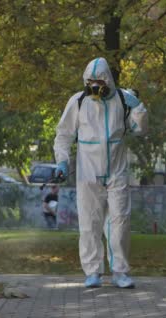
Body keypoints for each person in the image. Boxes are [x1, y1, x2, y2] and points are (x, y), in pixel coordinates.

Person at [53, 57, 147, 288]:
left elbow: (140, 130)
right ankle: (92, 271)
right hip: (88, 172)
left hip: (116, 171)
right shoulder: (78, 101)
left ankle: (120, 272)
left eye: (99, 81)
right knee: (89, 222)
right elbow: (64, 134)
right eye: (91, 81)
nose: (95, 86)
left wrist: (139, 109)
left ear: (107, 80)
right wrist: (62, 162)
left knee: (120, 222)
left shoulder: (123, 99)